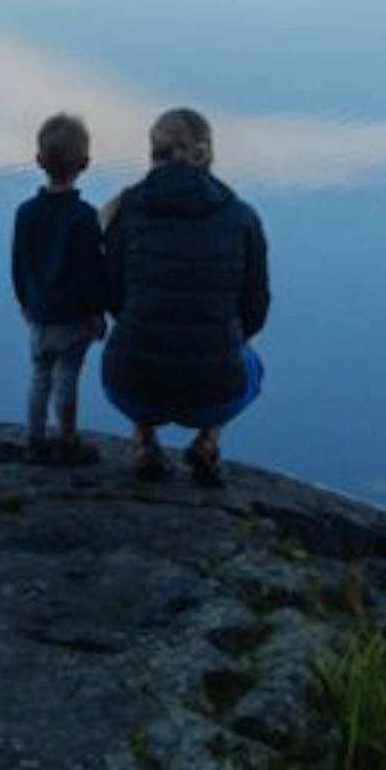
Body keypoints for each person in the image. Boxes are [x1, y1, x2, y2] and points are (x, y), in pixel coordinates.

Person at [102, 107, 269, 487]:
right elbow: (255, 313)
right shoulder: (242, 217)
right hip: (216, 393)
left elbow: (112, 299)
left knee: (132, 336)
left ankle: (145, 442)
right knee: (251, 366)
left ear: (152, 152)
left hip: (133, 388)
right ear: (208, 153)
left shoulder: (125, 211)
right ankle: (207, 440)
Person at [10, 112, 107, 465]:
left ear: (38, 161)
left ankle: (34, 440)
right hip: (73, 320)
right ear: (85, 164)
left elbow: (19, 262)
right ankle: (66, 439)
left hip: (38, 314)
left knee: (39, 376)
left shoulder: (25, 213)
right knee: (67, 378)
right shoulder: (85, 218)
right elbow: (90, 274)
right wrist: (97, 313)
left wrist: (23, 299)